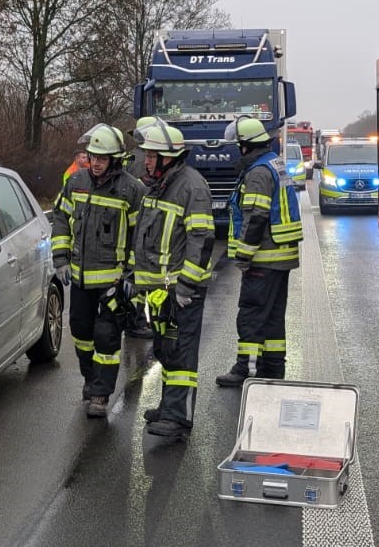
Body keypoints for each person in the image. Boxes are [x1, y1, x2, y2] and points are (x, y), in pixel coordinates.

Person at [50, 124, 145, 418]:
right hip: (79, 279)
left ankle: (101, 394)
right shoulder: (76, 181)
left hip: (112, 281)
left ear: (114, 159)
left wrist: (130, 276)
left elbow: (139, 237)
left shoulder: (132, 190)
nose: (96, 162)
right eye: (92, 156)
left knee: (106, 337)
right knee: (81, 333)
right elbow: (61, 218)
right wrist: (61, 258)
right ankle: (90, 380)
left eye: (102, 158)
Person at [129, 118, 215, 439]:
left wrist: (187, 286)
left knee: (181, 351)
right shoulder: (157, 186)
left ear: (171, 157)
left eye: (152, 155)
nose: (147, 160)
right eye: (147, 155)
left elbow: (202, 238)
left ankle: (179, 418)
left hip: (181, 290)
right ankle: (168, 408)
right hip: (158, 290)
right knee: (166, 350)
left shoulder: (191, 187)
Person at [216, 116, 302, 387]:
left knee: (251, 315)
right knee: (273, 318)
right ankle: (273, 369)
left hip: (263, 257)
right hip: (280, 257)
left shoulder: (257, 173)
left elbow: (255, 217)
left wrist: (243, 255)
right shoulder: (275, 164)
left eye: (238, 145)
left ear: (246, 147)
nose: (236, 151)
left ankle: (247, 370)